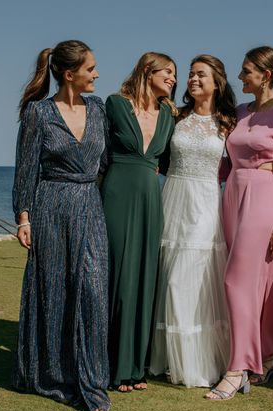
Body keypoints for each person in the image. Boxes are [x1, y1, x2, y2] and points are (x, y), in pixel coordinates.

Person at [12, 40, 110, 411]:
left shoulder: (99, 109)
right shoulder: (39, 113)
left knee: (92, 291)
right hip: (50, 207)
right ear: (69, 74)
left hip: (90, 206)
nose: (97, 74)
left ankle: (91, 382)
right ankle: (51, 376)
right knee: (53, 291)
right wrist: (24, 218)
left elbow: (108, 161)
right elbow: (25, 169)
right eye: (91, 68)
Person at [206, 46, 273, 401]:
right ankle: (267, 355)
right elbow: (224, 163)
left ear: (265, 75)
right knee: (258, 282)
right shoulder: (238, 113)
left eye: (246, 71)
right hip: (232, 195)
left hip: (263, 197)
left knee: (235, 280)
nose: (239, 77)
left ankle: (237, 369)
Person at [149, 54, 236, 388]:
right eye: (190, 74)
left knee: (191, 280)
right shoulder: (175, 114)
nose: (193, 79)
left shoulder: (228, 122)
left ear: (217, 81)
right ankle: (168, 359)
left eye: (201, 74)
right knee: (169, 276)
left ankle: (197, 362)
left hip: (206, 205)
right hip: (172, 200)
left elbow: (238, 164)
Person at [101, 52, 177, 392]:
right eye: (168, 72)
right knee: (116, 274)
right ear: (148, 71)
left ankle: (135, 368)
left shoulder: (168, 116)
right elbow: (99, 153)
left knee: (145, 279)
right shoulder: (115, 104)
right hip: (116, 194)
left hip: (150, 201)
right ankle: (108, 363)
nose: (173, 79)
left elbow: (170, 162)